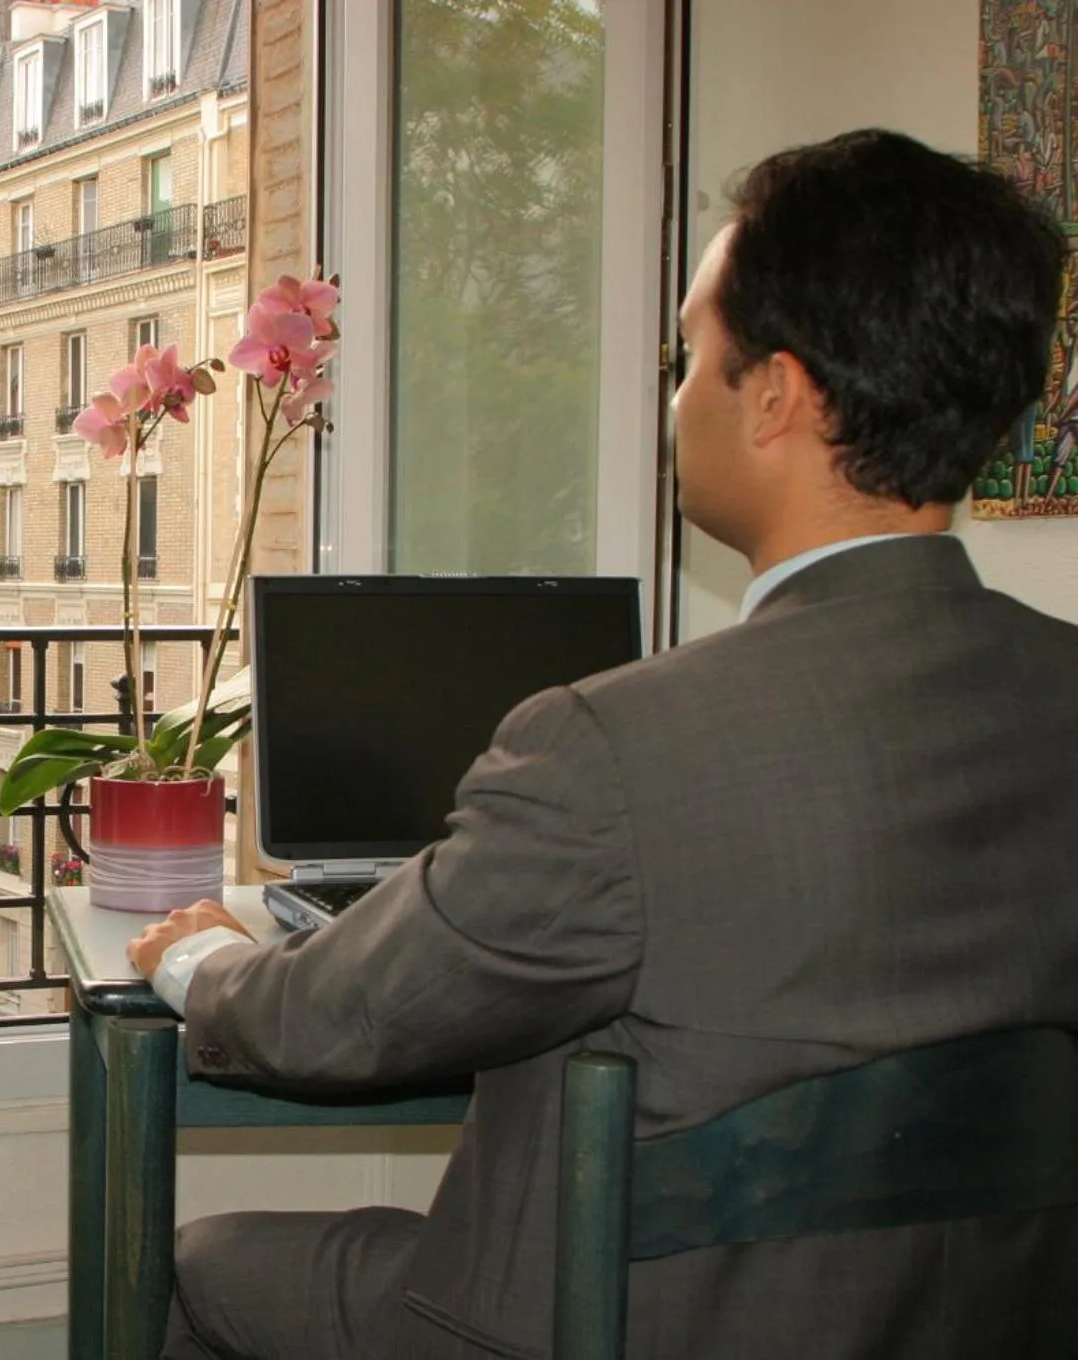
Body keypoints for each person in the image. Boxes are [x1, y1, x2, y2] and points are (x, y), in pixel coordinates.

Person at [130, 128, 1078, 1360]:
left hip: (603, 1324)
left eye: (691, 356)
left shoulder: (610, 748)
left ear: (777, 396)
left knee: (205, 1263)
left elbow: (341, 1016)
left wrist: (200, 965)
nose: (675, 395)